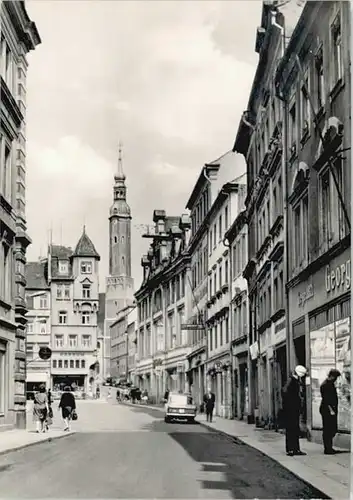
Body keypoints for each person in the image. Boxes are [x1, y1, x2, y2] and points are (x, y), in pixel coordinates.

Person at [282, 365, 307, 456]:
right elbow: (285, 392)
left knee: (293, 429)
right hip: (291, 410)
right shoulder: (292, 381)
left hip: (292, 409)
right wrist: (292, 404)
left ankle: (294, 449)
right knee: (292, 429)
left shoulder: (293, 381)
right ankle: (292, 449)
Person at [320, 368, 341, 455]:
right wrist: (331, 410)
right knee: (328, 429)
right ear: (332, 376)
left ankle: (329, 447)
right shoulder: (325, 385)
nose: (336, 379)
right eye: (335, 377)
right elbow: (326, 399)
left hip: (330, 409)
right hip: (327, 410)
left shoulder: (329, 384)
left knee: (332, 429)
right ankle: (327, 448)